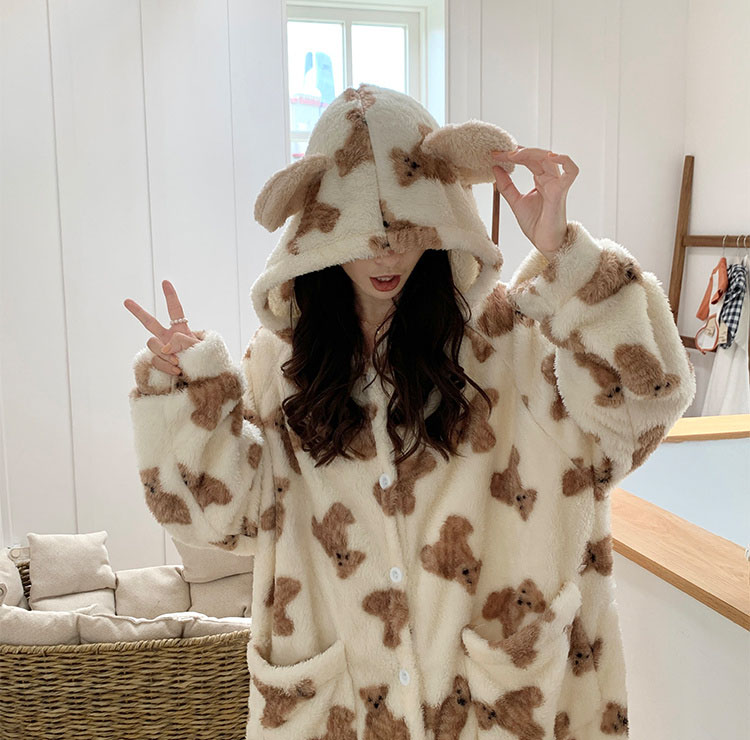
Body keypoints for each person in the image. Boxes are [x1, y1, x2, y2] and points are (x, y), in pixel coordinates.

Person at [124, 83, 695, 740]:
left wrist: (569, 258)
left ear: (441, 218)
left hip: (495, 709)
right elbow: (218, 520)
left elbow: (642, 412)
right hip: (341, 710)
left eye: (405, 229)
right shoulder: (279, 365)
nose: (386, 253)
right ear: (319, 236)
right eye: (363, 234)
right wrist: (191, 394)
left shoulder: (508, 341)